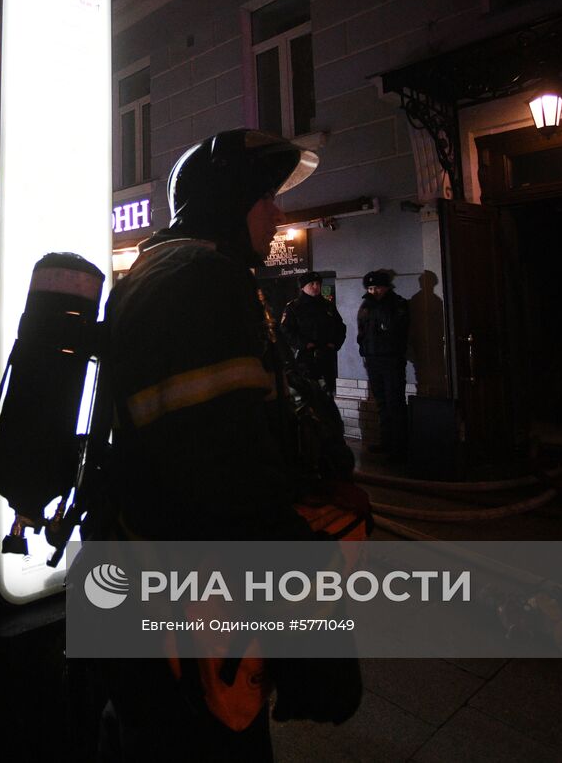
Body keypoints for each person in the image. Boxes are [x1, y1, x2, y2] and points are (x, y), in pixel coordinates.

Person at [100, 129, 359, 760]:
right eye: (265, 196)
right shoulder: (202, 280)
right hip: (189, 617)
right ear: (227, 200)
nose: (279, 213)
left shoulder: (165, 270)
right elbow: (225, 476)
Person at [356, 269, 410, 457]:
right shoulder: (367, 305)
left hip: (391, 358)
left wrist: (377, 307)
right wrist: (363, 348)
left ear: (386, 287)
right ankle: (386, 442)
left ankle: (400, 446)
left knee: (394, 402)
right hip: (373, 359)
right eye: (370, 288)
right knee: (381, 403)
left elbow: (395, 328)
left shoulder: (397, 304)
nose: (373, 292)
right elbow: (362, 329)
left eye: (377, 288)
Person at [280, 272, 346, 393]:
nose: (316, 286)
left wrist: (334, 344)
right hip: (305, 359)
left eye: (318, 284)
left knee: (328, 394)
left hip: (326, 357)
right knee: (309, 394)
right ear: (303, 287)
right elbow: (286, 331)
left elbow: (340, 327)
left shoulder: (328, 306)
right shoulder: (294, 307)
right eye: (312, 284)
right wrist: (304, 344)